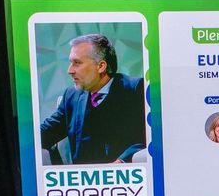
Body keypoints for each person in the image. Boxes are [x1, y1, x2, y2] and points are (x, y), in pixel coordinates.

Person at [38, 33, 147, 165]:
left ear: (101, 66)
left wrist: (121, 162)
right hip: (82, 180)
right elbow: (45, 134)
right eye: (70, 63)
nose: (70, 70)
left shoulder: (134, 89)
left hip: (122, 178)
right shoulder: (71, 96)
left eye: (77, 63)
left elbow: (146, 137)